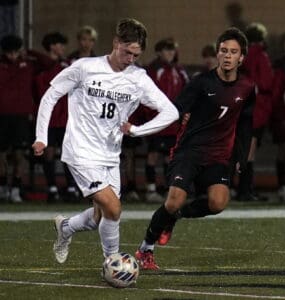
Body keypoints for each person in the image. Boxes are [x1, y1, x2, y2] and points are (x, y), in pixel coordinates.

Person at [32, 18, 179, 265]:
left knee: (102, 216)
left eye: (136, 54)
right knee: (113, 208)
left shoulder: (138, 78)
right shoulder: (85, 67)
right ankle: (113, 261)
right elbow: (50, 96)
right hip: (80, 151)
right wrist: (41, 137)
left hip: (110, 154)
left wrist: (138, 130)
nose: (130, 59)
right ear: (115, 43)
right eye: (127, 52)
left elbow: (170, 112)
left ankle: (66, 228)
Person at [135, 27, 255, 270]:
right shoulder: (201, 82)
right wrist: (143, 127)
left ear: (242, 57)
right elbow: (175, 109)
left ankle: (174, 219)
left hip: (218, 156)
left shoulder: (247, 88)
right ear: (218, 53)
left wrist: (241, 156)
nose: (228, 56)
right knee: (173, 201)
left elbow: (245, 124)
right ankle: (146, 248)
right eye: (223, 51)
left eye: (233, 52)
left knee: (218, 203)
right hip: (189, 151)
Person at [0, 34, 53, 203]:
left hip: (21, 116)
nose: (13, 56)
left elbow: (49, 63)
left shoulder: (28, 63)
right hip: (1, 115)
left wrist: (29, 51)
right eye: (9, 53)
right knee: (1, 154)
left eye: (16, 52)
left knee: (19, 154)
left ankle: (16, 188)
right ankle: (2, 187)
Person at [34, 32, 79, 202]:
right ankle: (52, 188)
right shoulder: (41, 67)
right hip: (50, 116)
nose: (63, 48)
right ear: (52, 46)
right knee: (49, 152)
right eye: (60, 45)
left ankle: (71, 187)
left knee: (69, 152)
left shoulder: (67, 64)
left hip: (66, 115)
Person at [143, 38, 189, 203]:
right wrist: (152, 117)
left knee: (171, 157)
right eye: (167, 50)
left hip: (174, 122)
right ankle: (150, 189)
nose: (170, 53)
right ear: (159, 52)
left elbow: (187, 93)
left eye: (172, 49)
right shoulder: (153, 71)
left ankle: (169, 190)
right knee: (153, 154)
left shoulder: (179, 71)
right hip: (158, 120)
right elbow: (146, 95)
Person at [236, 22, 273, 201]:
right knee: (249, 151)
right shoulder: (261, 56)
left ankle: (243, 188)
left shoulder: (242, 55)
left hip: (242, 106)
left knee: (243, 148)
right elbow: (267, 82)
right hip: (257, 108)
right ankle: (245, 190)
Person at [270, 31, 285, 202]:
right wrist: (278, 114)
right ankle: (282, 186)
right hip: (283, 114)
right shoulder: (281, 66)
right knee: (283, 148)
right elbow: (276, 93)